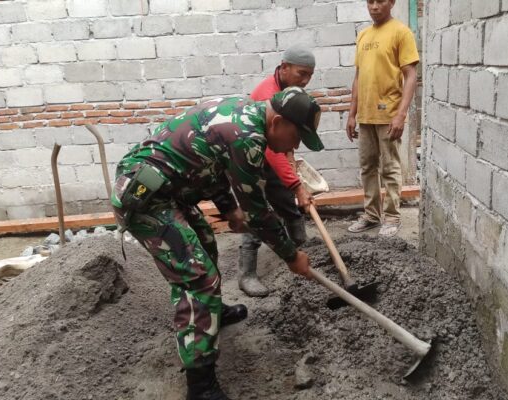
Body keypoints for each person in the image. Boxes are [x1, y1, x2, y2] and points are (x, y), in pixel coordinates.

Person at [110, 86, 323, 400]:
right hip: (146, 198)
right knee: (197, 278)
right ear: (277, 123)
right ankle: (200, 385)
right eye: (297, 137)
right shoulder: (248, 137)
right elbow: (259, 212)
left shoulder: (244, 110)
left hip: (170, 190)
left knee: (205, 242)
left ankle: (214, 313)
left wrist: (227, 209)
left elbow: (212, 164)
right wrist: (291, 255)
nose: (295, 146)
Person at [239, 44, 317, 297]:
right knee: (256, 215)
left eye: (309, 76)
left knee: (289, 205)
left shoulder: (290, 94)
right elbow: (273, 150)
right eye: (301, 74)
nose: (305, 81)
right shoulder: (268, 95)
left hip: (272, 159)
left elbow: (286, 144)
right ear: (284, 68)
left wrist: (293, 180)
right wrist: (297, 185)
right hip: (253, 160)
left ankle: (302, 249)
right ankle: (247, 275)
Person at [346, 0, 419, 237]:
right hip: (366, 114)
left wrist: (401, 114)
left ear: (392, 3)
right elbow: (358, 77)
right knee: (367, 166)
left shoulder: (401, 32)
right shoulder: (363, 35)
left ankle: (392, 217)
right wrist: (352, 113)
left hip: (388, 114)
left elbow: (410, 76)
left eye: (380, 1)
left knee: (390, 167)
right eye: (370, 1)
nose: (374, 6)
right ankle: (371, 215)